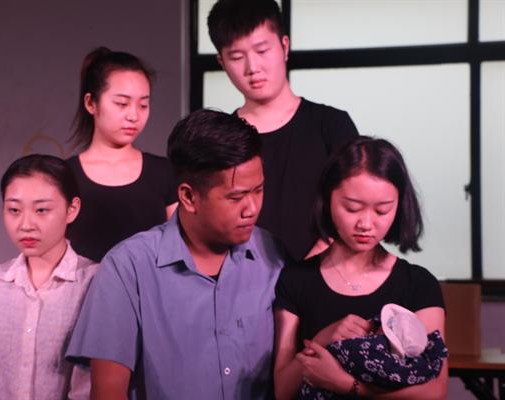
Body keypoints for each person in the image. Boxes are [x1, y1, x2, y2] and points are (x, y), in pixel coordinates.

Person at [65, 109, 285, 399]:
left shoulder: (273, 255)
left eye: (258, 190)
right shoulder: (128, 267)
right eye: (235, 197)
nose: (252, 208)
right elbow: (108, 393)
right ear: (188, 196)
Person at [273, 136, 448, 399]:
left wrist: (344, 384)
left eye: (382, 211)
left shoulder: (418, 284)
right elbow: (282, 390)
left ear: (399, 206)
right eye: (352, 208)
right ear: (327, 199)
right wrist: (323, 338)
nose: (366, 224)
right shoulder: (296, 280)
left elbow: (434, 392)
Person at [208, 0, 359, 260]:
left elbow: (355, 202)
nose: (253, 67)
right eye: (237, 57)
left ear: (284, 46)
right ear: (222, 62)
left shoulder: (332, 125)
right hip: (241, 277)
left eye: (262, 50)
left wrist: (305, 273)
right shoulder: (218, 139)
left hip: (322, 273)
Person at [0, 154, 97, 400]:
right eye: (14, 210)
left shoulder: (94, 281)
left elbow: (89, 385)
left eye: (41, 210)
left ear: (71, 210)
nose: (25, 224)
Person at [66, 46, 177, 263]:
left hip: (149, 285)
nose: (133, 115)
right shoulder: (65, 177)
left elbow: (178, 248)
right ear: (91, 103)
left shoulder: (165, 172)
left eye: (143, 105)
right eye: (122, 104)